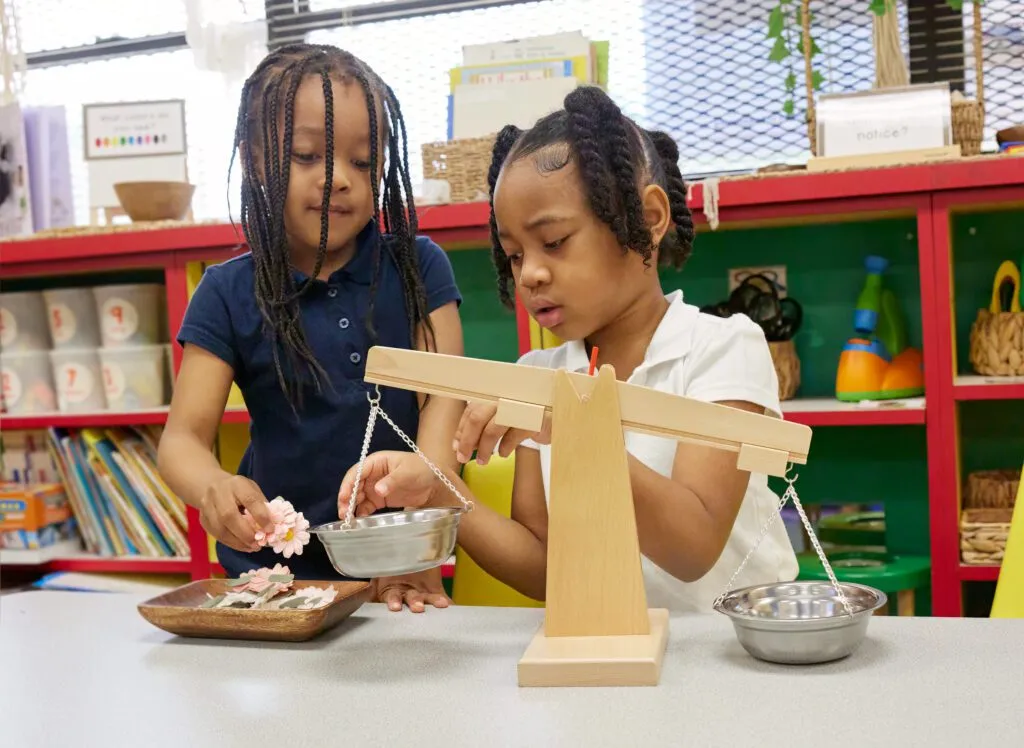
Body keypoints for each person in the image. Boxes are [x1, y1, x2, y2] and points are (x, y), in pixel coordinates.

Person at [337, 85, 798, 613]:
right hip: (614, 663)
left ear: (649, 219)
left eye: (554, 242)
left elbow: (694, 548)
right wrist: (441, 495)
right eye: (513, 255)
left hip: (730, 656)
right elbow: (547, 567)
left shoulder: (722, 347)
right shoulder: (541, 372)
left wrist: (575, 427)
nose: (530, 273)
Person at [158, 43, 465, 612]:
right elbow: (182, 439)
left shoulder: (420, 267)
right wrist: (213, 488)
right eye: (306, 156)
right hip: (276, 580)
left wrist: (426, 502)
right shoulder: (226, 292)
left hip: (396, 570)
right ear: (254, 160)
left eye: (363, 162)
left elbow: (444, 404)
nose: (339, 179)